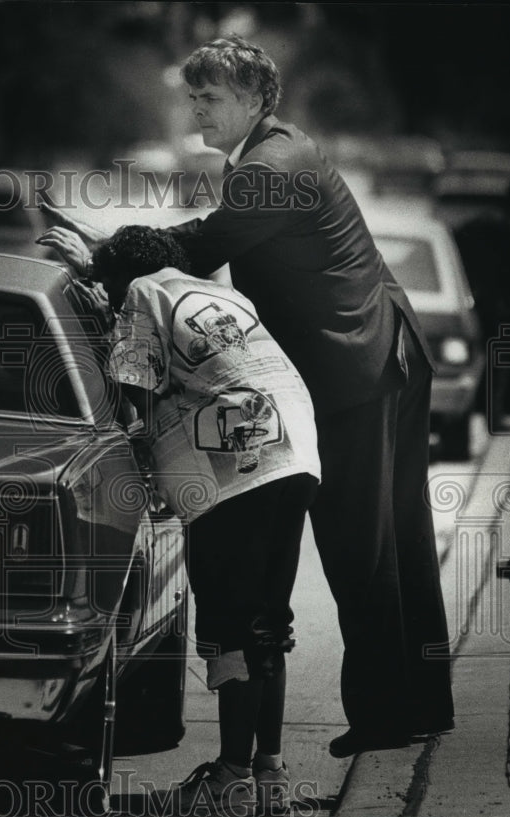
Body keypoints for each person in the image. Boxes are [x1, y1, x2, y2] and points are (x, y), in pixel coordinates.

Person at [38, 34, 455, 759]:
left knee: (363, 543)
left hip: (356, 361)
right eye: (192, 96)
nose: (198, 110)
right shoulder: (268, 156)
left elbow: (202, 245)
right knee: (395, 538)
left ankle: (390, 712)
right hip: (375, 349)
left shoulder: (273, 166)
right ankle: (415, 703)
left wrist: (100, 255)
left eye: (213, 97)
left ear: (259, 100)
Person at [88, 224, 319, 816]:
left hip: (232, 466)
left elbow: (132, 391)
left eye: (110, 287)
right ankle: (268, 776)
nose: (114, 300)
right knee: (268, 620)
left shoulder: (142, 292)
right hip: (294, 454)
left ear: (126, 273)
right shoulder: (224, 296)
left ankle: (231, 779)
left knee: (227, 623)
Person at [453, 176, 510, 428]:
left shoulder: (480, 224)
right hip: (499, 304)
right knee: (497, 360)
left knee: (482, 359)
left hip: (480, 298)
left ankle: (482, 414)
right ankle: (492, 415)